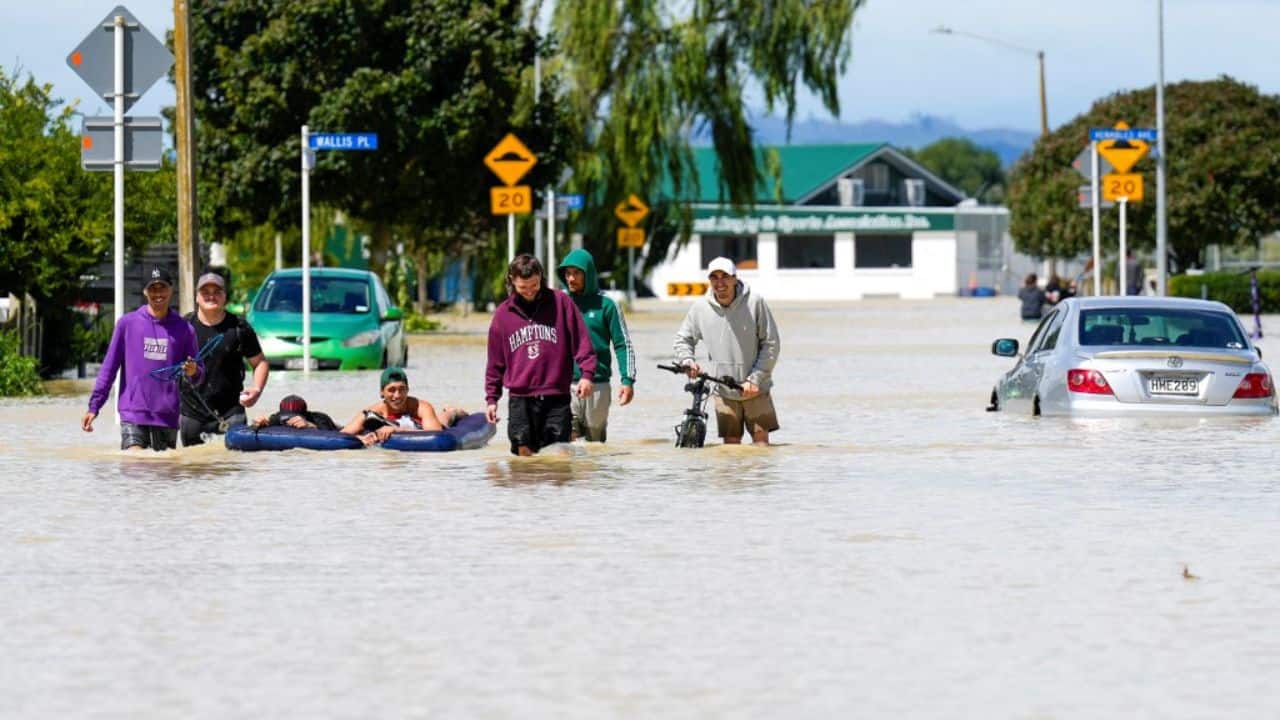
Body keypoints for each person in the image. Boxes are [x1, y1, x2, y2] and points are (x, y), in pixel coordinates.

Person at [81, 265, 204, 451]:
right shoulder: (127, 324)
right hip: (133, 413)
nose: (158, 293)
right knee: (135, 464)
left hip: (167, 415)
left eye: (162, 287)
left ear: (171, 289)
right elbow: (109, 368)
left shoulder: (185, 329)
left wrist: (194, 371)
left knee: (163, 474)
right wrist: (94, 407)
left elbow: (199, 374)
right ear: (145, 291)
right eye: (153, 288)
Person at [485, 254, 597, 456]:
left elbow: (582, 342)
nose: (529, 292)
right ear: (511, 281)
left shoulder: (562, 303)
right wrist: (492, 399)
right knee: (523, 457)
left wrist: (587, 375)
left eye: (534, 285)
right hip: (520, 399)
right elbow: (495, 363)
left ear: (541, 278)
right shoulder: (502, 315)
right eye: (523, 287)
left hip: (557, 396)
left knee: (559, 457)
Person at [673, 256, 781, 445]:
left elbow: (771, 343)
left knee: (761, 444)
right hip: (722, 390)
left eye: (725, 276)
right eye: (714, 277)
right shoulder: (700, 308)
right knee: (730, 448)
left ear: (735, 278)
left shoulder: (755, 302)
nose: (720, 282)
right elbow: (683, 339)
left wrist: (754, 379)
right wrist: (687, 361)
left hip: (756, 389)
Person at [180, 270, 270, 445]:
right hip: (192, 413)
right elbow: (167, 366)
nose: (211, 296)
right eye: (205, 292)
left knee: (232, 467)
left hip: (232, 412)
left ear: (224, 297)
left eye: (217, 292)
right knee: (191, 467)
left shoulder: (239, 327)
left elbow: (260, 363)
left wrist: (256, 390)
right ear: (197, 297)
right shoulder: (183, 327)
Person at [556, 248, 636, 442]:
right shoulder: (560, 302)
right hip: (565, 385)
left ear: (588, 274)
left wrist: (628, 380)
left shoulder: (607, 304)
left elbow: (622, 344)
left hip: (598, 384)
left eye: (576, 273)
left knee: (595, 445)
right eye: (567, 273)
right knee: (566, 437)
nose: (571, 279)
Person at [341, 367, 463, 446]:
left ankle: (453, 411)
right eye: (391, 390)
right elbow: (342, 435)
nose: (397, 395)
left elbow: (436, 435)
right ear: (381, 392)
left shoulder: (420, 407)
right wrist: (362, 439)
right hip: (398, 424)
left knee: (445, 419)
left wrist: (396, 430)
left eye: (402, 389)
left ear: (408, 390)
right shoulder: (372, 413)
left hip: (420, 425)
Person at [252, 394, 339, 431]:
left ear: (305, 415)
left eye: (294, 417)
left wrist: (310, 425)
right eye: (287, 417)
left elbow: (332, 435)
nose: (291, 421)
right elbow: (255, 426)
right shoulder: (277, 417)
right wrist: (259, 423)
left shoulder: (319, 418)